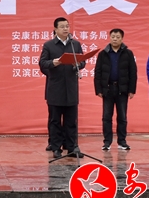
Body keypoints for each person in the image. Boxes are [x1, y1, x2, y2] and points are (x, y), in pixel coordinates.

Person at [39, 17, 85, 158]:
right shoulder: (49, 45)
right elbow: (42, 63)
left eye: (67, 26)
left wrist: (78, 64)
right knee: (55, 120)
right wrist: (53, 63)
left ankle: (71, 147)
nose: (66, 29)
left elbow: (82, 62)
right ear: (55, 29)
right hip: (55, 88)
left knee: (71, 121)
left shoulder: (75, 44)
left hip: (71, 88)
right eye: (62, 26)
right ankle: (56, 148)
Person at [94, 28, 137, 151]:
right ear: (109, 37)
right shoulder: (103, 54)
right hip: (107, 89)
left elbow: (133, 73)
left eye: (118, 37)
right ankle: (107, 142)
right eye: (113, 36)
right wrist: (98, 89)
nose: (115, 39)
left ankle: (122, 141)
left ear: (122, 39)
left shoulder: (128, 53)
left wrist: (132, 90)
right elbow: (98, 72)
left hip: (122, 89)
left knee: (122, 117)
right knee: (107, 117)